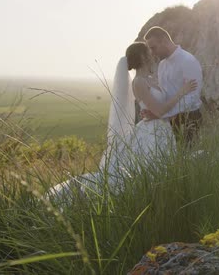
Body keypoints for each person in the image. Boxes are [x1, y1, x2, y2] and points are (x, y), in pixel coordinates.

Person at [47, 42, 196, 200]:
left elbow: (161, 110)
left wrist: (161, 112)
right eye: (149, 52)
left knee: (165, 170)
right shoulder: (139, 82)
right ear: (144, 57)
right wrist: (181, 93)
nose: (153, 55)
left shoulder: (153, 79)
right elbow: (160, 109)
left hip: (163, 129)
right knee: (149, 171)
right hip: (151, 133)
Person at [142, 26, 203, 148]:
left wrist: (161, 114)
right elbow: (164, 94)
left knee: (188, 160)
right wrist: (152, 110)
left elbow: (192, 99)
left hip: (188, 120)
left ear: (164, 40)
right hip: (167, 122)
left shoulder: (188, 61)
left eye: (153, 48)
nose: (152, 53)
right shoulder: (162, 65)